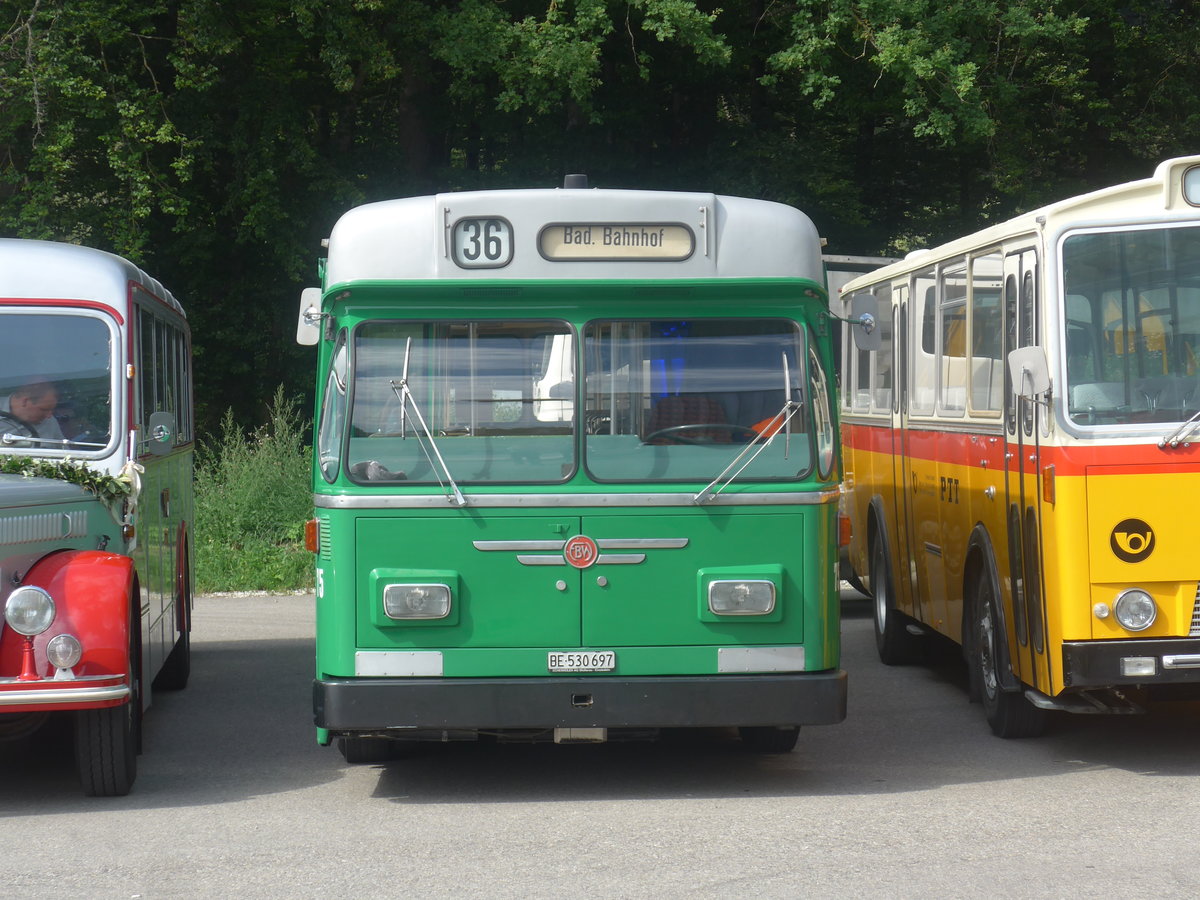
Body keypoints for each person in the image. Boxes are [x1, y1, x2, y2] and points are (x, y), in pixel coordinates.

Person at [0, 381, 65, 445]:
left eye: (51, 410)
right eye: (44, 409)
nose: (49, 416)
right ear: (24, 401)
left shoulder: (50, 422)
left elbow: (65, 452)